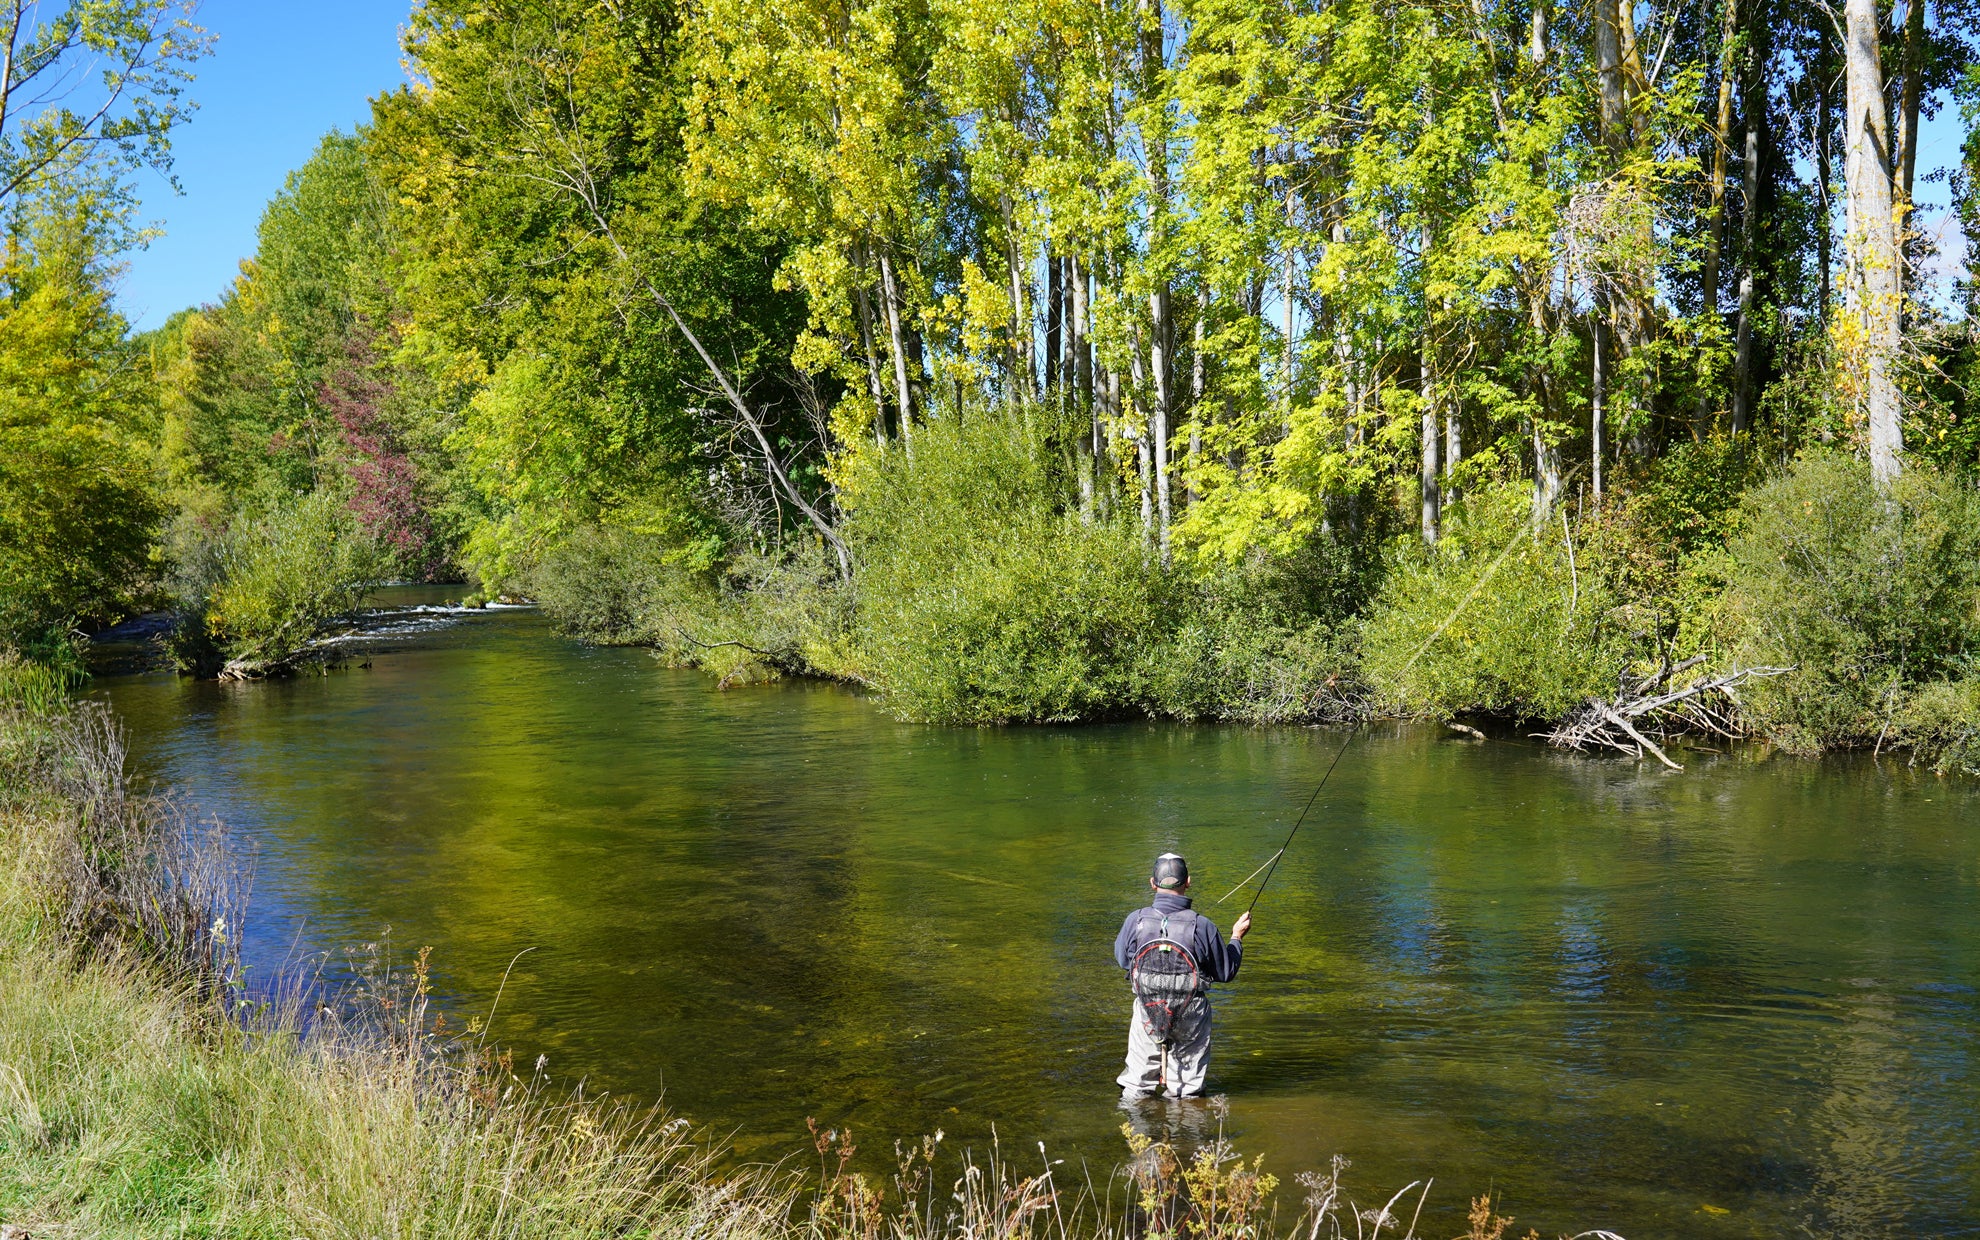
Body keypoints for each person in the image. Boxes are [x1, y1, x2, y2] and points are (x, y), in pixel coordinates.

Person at [1112, 852, 1251, 1098]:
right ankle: (1185, 1129)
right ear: (1188, 881)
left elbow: (1124, 961)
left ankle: (1135, 1131)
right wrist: (1236, 937)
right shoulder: (1203, 926)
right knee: (1186, 1090)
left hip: (1148, 1009)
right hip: (1191, 1014)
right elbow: (1226, 972)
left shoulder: (1136, 921)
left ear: (1152, 883)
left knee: (1136, 1086)